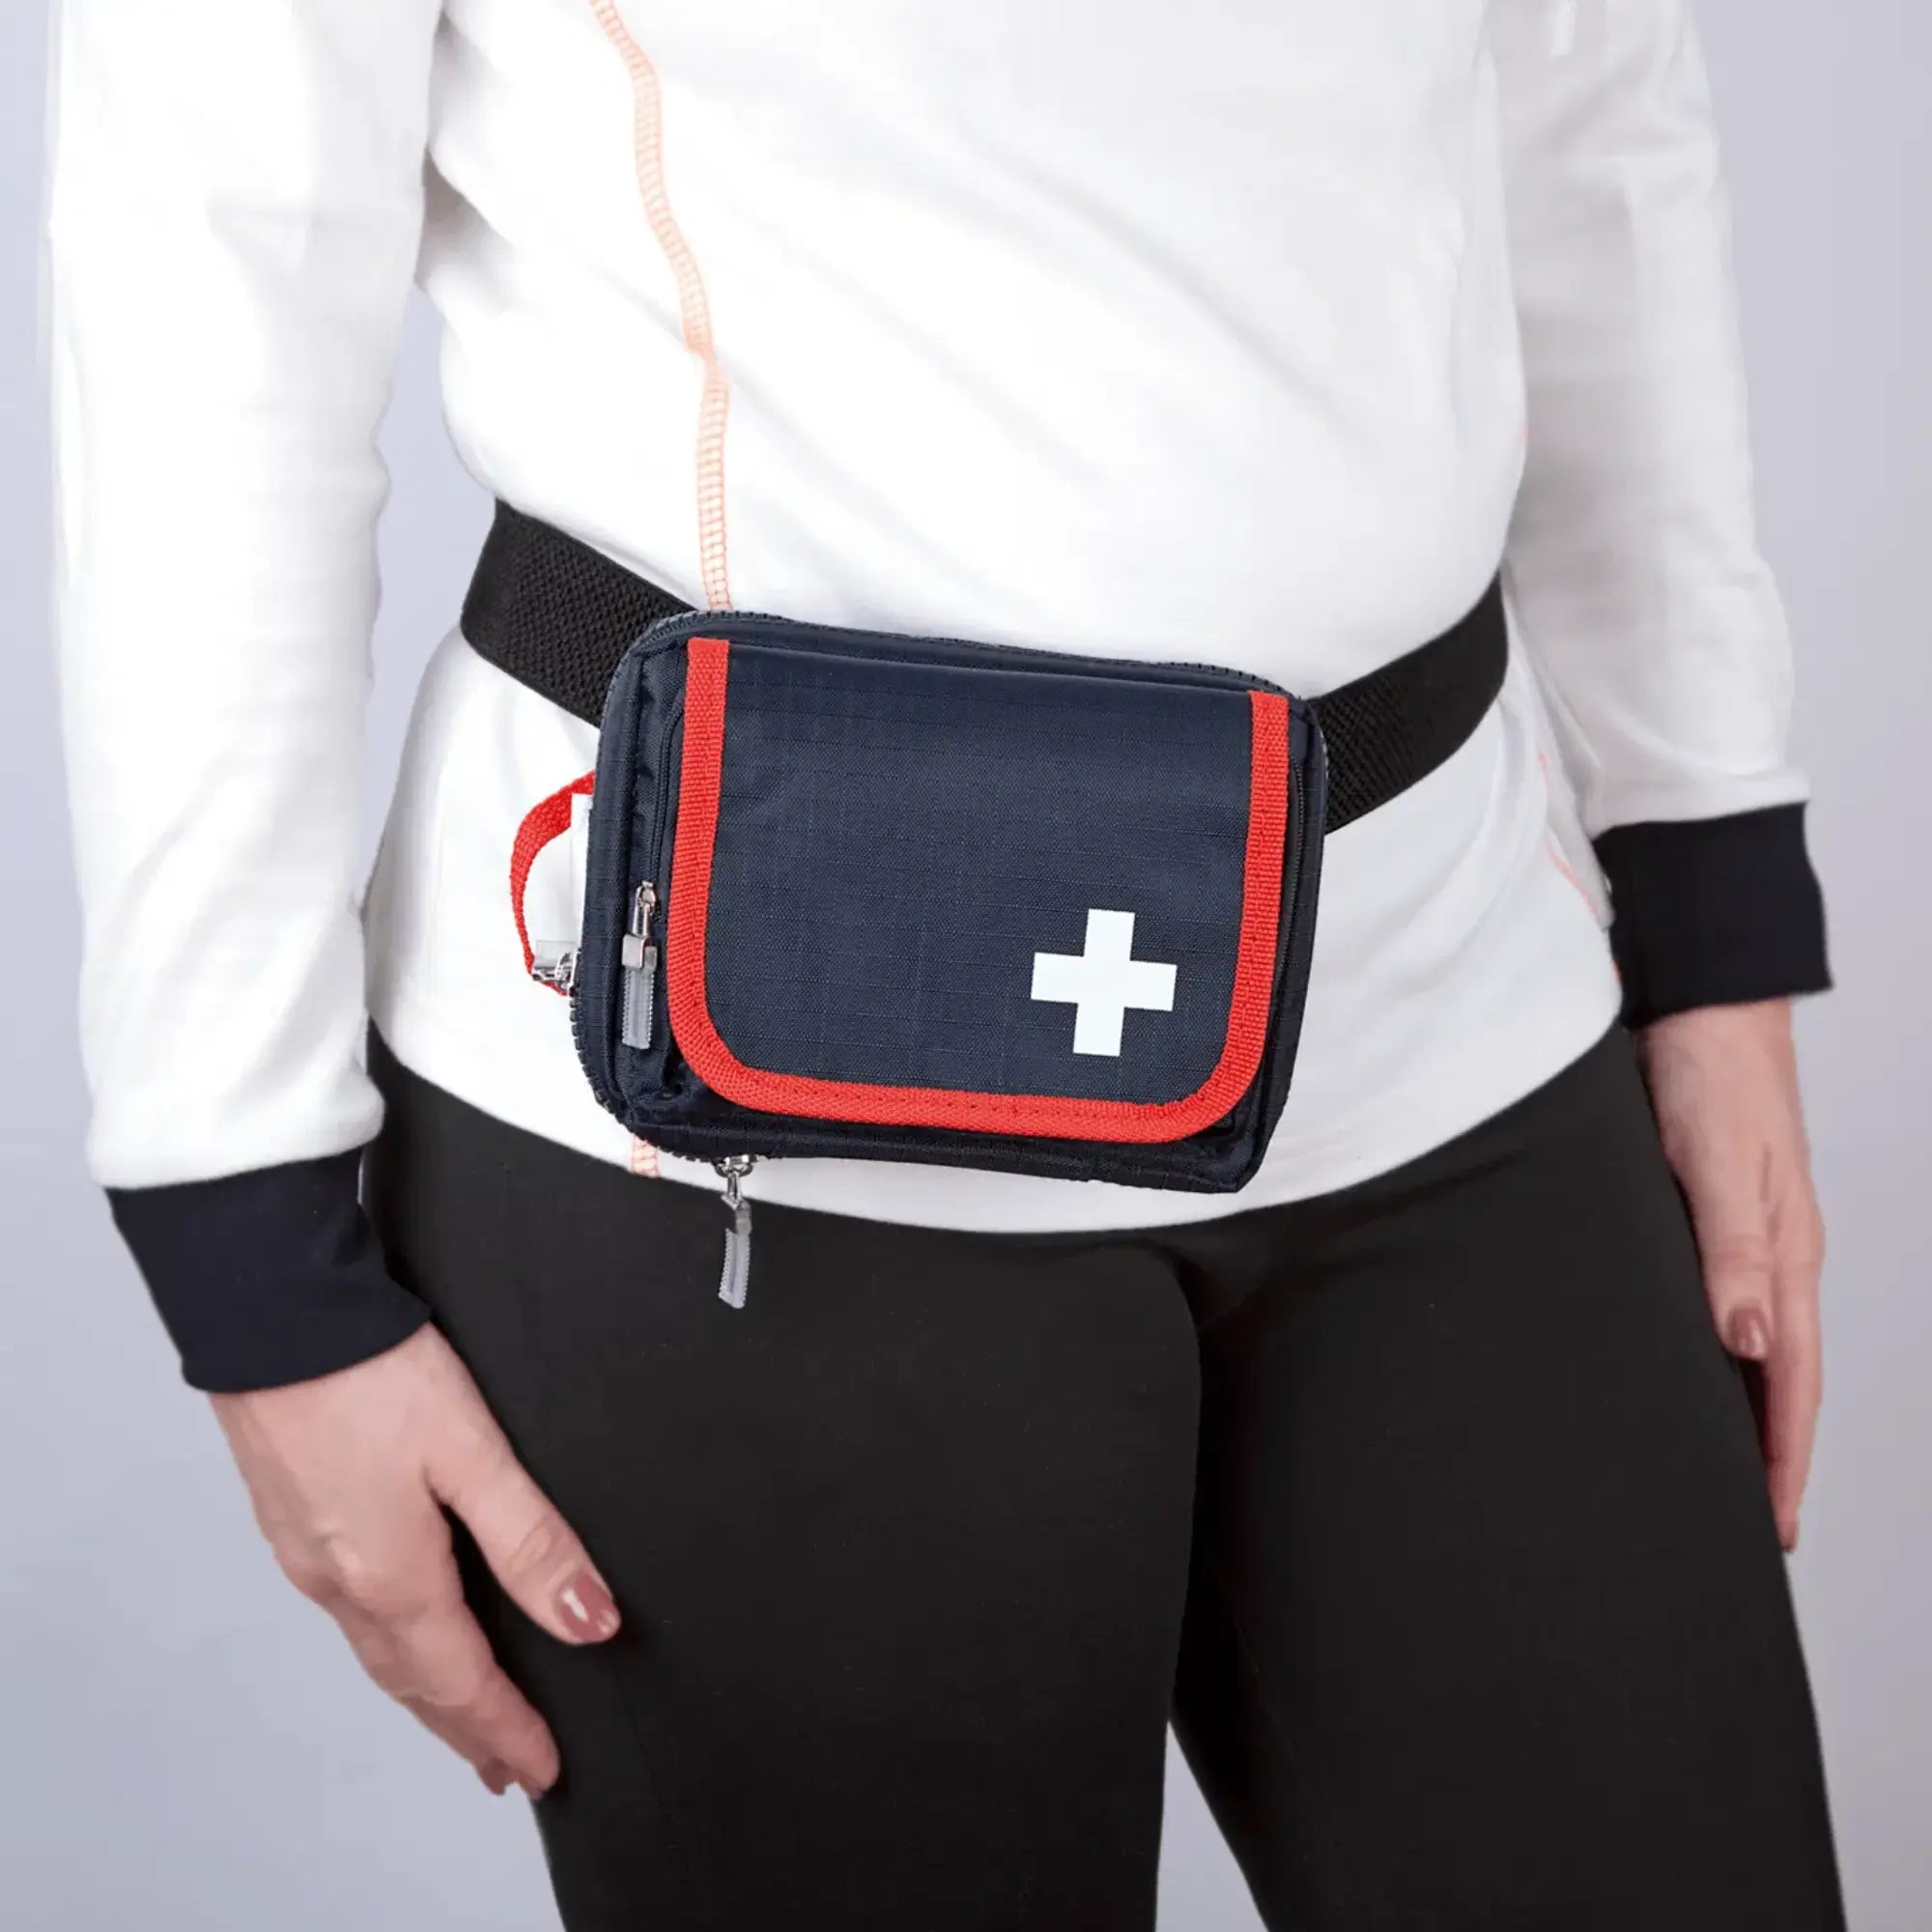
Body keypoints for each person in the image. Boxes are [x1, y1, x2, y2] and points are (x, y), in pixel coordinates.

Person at [47, 2, 1844, 1927]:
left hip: (1452, 1010)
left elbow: (1584, 101)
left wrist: (1706, 895)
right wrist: (244, 1234)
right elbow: (210, 290)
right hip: (750, 1115)